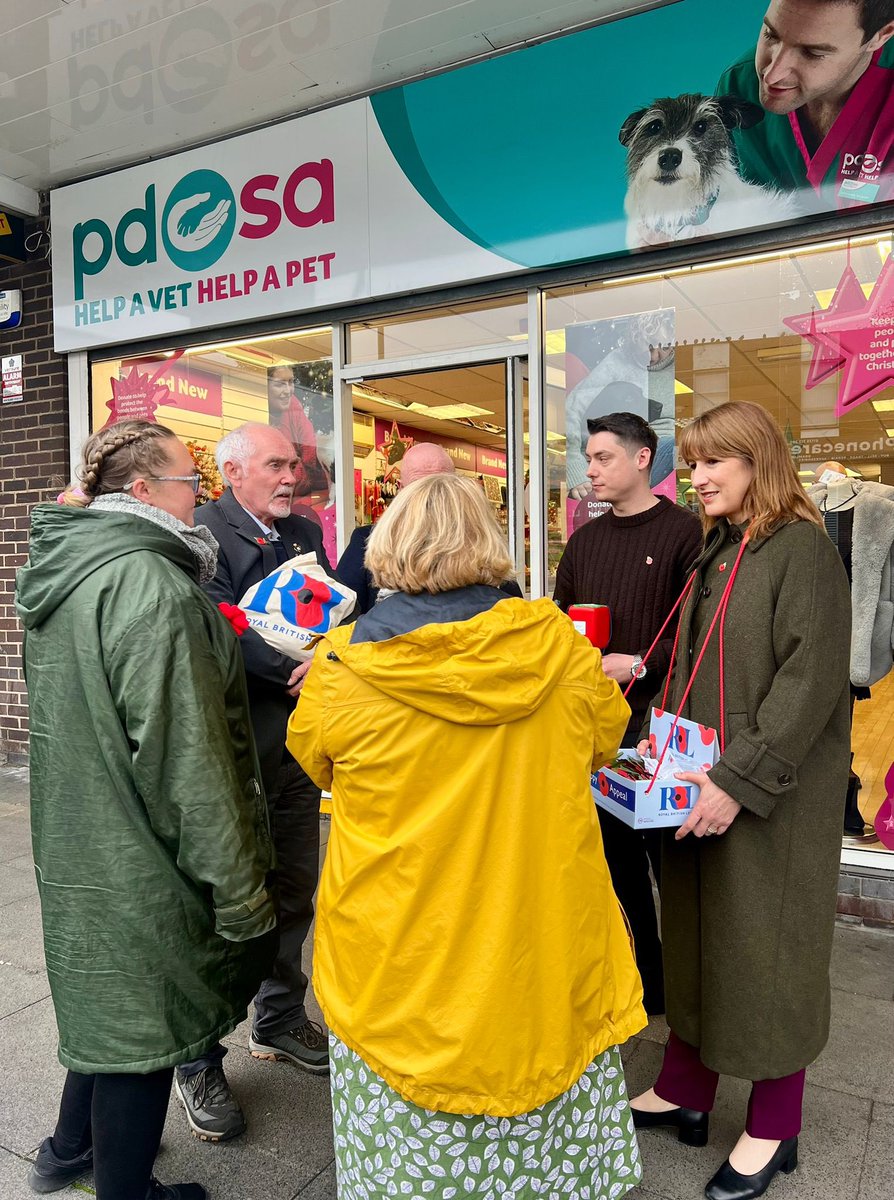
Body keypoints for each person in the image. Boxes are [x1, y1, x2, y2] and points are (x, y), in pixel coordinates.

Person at [287, 473, 647, 1199]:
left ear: (388, 546)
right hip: (535, 936)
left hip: (400, 944)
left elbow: (314, 758)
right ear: (489, 542)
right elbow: (606, 738)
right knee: (547, 1126)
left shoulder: (341, 664)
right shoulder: (559, 648)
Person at [15, 420, 276, 1200]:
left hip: (79, 830)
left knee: (110, 1000)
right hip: (141, 845)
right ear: (140, 492)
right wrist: (239, 893)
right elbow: (188, 765)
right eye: (185, 479)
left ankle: (67, 1150)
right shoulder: (156, 588)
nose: (197, 493)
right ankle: (127, 1191)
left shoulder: (69, 567)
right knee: (148, 1017)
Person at [629, 401, 851, 1200]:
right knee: (694, 933)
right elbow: (696, 659)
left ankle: (775, 1123)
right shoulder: (717, 549)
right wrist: (664, 738)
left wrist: (736, 781)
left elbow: (811, 682)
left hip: (769, 801)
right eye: (693, 463)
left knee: (768, 953)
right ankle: (687, 1087)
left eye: (714, 461)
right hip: (701, 785)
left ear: (760, 461)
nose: (698, 477)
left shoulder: (803, 552)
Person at [170, 423, 342, 1143]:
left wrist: (330, 659)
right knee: (221, 906)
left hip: (298, 751)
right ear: (231, 470)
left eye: (293, 465)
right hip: (234, 754)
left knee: (294, 888)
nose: (289, 477)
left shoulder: (303, 530)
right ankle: (197, 1058)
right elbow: (217, 632)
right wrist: (297, 671)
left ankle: (276, 1019)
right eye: (275, 464)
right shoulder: (199, 535)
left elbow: (332, 609)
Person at [554, 412, 702, 1015]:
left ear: (643, 460)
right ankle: (649, 982)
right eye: (588, 459)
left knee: (677, 869)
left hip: (665, 730)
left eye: (603, 458)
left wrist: (639, 663)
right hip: (597, 732)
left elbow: (699, 632)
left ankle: (695, 987)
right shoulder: (585, 540)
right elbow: (557, 619)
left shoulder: (685, 534)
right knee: (617, 869)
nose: (590, 470)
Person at [718, 0, 894, 207]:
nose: (772, 76)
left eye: (813, 53)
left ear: (880, 36)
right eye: (770, 34)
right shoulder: (739, 83)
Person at [337, 441, 457, 612]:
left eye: (441, 486)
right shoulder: (368, 541)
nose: (430, 496)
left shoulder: (479, 542)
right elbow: (343, 612)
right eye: (419, 486)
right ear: (401, 490)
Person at [267, 364, 330, 498]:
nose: (288, 390)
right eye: (279, 385)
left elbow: (310, 452)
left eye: (290, 382)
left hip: (300, 493)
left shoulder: (295, 409)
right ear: (265, 387)